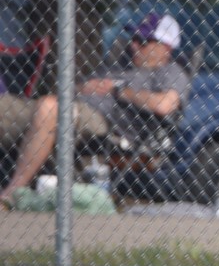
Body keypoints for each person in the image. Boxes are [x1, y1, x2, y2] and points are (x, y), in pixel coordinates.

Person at [0, 13, 190, 207]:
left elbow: (164, 104)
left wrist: (117, 90)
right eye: (133, 38)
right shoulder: (120, 66)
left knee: (51, 108)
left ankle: (10, 194)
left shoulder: (170, 72)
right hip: (63, 108)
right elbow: (75, 90)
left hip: (107, 125)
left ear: (165, 47)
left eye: (142, 41)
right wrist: (84, 88)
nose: (133, 45)